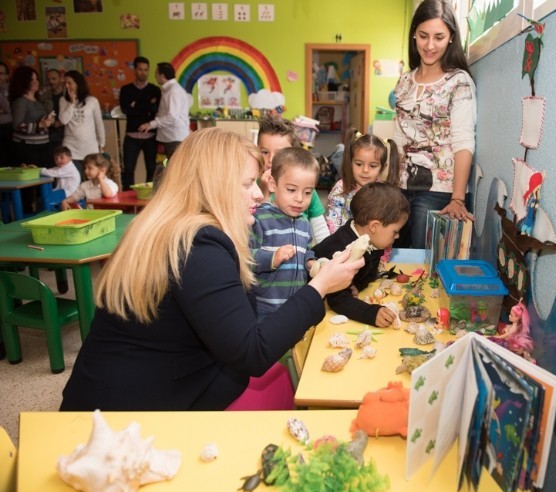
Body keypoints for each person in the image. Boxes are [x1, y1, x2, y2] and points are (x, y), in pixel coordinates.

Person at [59, 127, 363, 411]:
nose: (259, 194)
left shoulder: (172, 228)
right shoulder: (199, 245)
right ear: (211, 187)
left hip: (126, 389)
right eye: (246, 184)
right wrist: (320, 286)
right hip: (136, 414)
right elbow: (252, 352)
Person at [394, 0, 477, 248]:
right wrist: (388, 187)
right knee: (392, 260)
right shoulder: (404, 82)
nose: (430, 45)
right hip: (400, 187)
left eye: (439, 37)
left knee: (421, 264)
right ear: (414, 35)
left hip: (439, 191)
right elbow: (398, 141)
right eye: (423, 36)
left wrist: (458, 199)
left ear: (451, 37)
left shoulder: (458, 82)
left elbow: (463, 142)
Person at [313, 182, 409, 327]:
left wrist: (357, 285)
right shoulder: (343, 251)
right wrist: (371, 313)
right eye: (395, 231)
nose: (397, 236)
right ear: (374, 227)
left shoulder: (375, 241)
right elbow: (337, 299)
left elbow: (369, 273)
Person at [251, 147, 319, 321]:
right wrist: (273, 258)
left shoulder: (304, 223)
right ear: (273, 185)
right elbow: (246, 258)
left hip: (296, 306)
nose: (299, 199)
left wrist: (310, 262)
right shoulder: (260, 218)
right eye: (291, 190)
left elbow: (307, 250)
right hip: (265, 307)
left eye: (307, 192)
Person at [257, 114, 330, 244]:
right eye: (265, 152)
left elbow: (320, 232)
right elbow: (252, 233)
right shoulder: (253, 186)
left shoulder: (306, 189)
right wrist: (263, 194)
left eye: (280, 153)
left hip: (303, 259)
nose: (271, 159)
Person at [325, 128, 400, 234]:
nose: (365, 170)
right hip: (343, 245)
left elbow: (387, 228)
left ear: (382, 168)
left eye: (373, 166)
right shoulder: (341, 188)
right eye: (359, 164)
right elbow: (332, 223)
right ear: (350, 162)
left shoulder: (384, 193)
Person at [119, 56, 161, 189]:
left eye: (146, 70)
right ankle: (127, 201)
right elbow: (126, 110)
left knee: (151, 169)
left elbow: (155, 109)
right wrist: (147, 105)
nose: (143, 72)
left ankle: (148, 199)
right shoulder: (126, 89)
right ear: (135, 70)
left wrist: (135, 104)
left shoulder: (155, 89)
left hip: (150, 136)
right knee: (129, 170)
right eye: (140, 69)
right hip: (131, 135)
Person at [58, 70, 105, 176]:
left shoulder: (92, 101)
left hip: (90, 148)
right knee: (74, 180)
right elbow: (63, 120)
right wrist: (72, 103)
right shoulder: (63, 100)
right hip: (71, 148)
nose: (67, 86)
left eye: (70, 83)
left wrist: (102, 143)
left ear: (78, 84)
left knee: (92, 179)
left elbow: (99, 123)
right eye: (65, 83)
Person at [138, 62, 190, 159]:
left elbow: (172, 116)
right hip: (171, 137)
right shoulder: (169, 89)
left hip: (174, 137)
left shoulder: (173, 91)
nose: (154, 76)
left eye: (156, 73)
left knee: (176, 169)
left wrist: (151, 124)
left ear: (162, 75)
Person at [9, 65, 55, 168]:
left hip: (44, 145)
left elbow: (46, 122)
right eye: (31, 79)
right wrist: (39, 125)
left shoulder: (39, 101)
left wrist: (49, 120)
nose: (36, 82)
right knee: (32, 180)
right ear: (23, 81)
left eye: (36, 79)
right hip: (27, 147)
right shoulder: (21, 101)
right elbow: (17, 125)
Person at [39, 68, 66, 154]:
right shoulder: (44, 95)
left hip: (67, 129)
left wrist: (61, 122)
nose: (51, 81)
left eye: (54, 78)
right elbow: (41, 111)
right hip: (51, 130)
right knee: (54, 156)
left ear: (61, 79)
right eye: (48, 79)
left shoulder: (68, 94)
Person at [0, 62, 11, 164]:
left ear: (7, 75)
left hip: (8, 128)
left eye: (1, 73)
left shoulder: (11, 89)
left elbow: (9, 108)